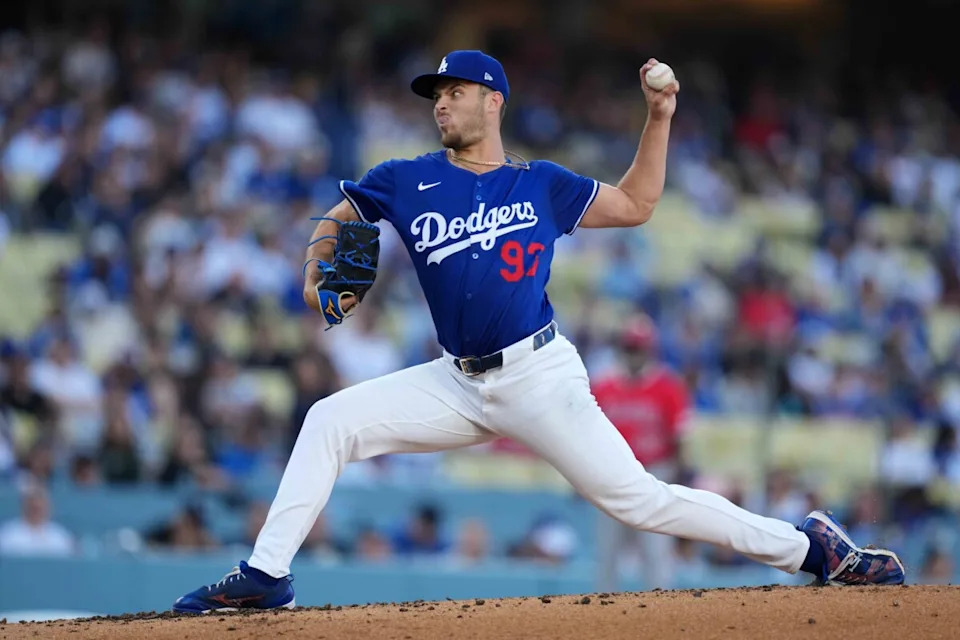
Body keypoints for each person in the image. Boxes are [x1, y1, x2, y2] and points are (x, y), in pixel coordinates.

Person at [173, 50, 904, 613]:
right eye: (436, 96)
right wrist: (318, 268)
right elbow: (349, 213)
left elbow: (640, 204)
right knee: (329, 418)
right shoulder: (408, 177)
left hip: (539, 377)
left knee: (638, 501)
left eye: (453, 92)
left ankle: (811, 548)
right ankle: (268, 574)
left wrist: (659, 117)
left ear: (492, 101)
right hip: (455, 381)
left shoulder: (541, 184)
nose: (441, 105)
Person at [593, 314, 690, 590]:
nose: (633, 353)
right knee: (608, 552)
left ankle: (661, 614)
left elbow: (680, 435)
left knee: (656, 550)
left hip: (654, 472)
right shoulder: (604, 385)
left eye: (638, 348)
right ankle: (601, 614)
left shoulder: (668, 386)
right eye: (629, 347)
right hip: (612, 476)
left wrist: (679, 476)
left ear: (650, 350)